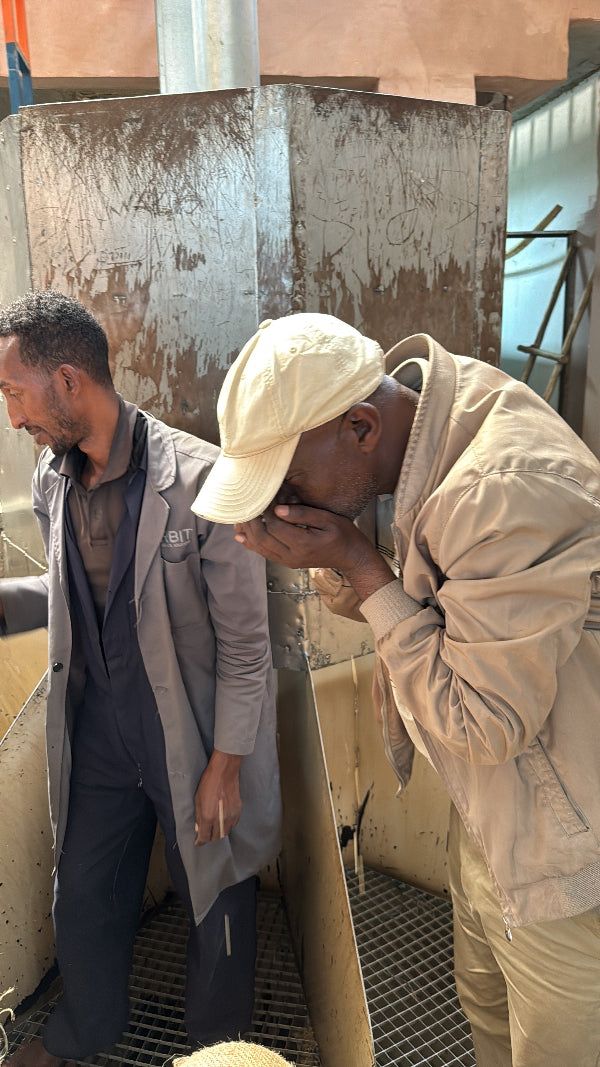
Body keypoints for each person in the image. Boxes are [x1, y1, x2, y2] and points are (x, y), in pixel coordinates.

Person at [192, 312, 600, 1067]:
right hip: (495, 816)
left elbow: (482, 721)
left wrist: (357, 558)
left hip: (567, 849)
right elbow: (411, 608)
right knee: (487, 1012)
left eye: (288, 482)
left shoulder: (497, 490)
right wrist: (342, 555)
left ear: (359, 426)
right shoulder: (422, 434)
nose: (281, 504)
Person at [0, 291, 281, 1067]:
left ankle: (216, 1050)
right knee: (84, 889)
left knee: (217, 895)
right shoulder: (53, 480)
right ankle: (84, 1031)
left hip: (188, 728)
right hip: (99, 730)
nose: (13, 417)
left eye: (14, 393)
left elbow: (246, 643)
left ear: (67, 380)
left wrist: (226, 763)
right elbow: (71, 593)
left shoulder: (203, 479)